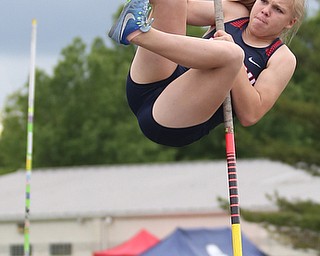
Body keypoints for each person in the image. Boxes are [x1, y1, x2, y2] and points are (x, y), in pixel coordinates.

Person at [108, 0, 305, 147]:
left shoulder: (281, 58)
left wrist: (236, 63)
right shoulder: (233, 12)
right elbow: (181, 8)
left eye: (277, 9)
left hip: (172, 122)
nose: (265, 11)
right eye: (264, 1)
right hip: (150, 84)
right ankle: (135, 30)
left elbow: (250, 114)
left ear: (290, 22)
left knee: (233, 54)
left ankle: (137, 33)